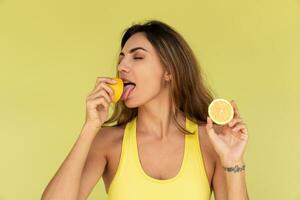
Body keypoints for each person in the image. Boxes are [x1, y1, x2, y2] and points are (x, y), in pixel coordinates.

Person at [42, 20, 249, 200]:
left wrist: (233, 162)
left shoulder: (211, 142)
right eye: (121, 58)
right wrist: (90, 128)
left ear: (169, 71)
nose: (122, 66)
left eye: (137, 57)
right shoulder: (107, 142)